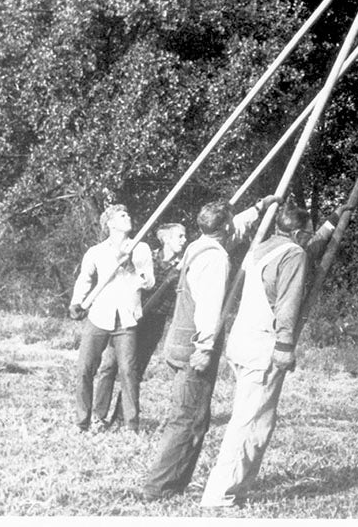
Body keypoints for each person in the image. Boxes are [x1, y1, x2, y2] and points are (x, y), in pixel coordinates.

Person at [142, 194, 279, 501]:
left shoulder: (198, 245)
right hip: (195, 346)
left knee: (189, 416)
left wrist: (259, 207)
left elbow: (235, 229)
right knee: (189, 419)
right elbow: (209, 306)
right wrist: (204, 347)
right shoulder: (215, 259)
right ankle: (161, 487)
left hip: (177, 341)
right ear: (224, 226)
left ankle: (169, 483)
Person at [199, 203, 335, 510]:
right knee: (251, 423)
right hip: (264, 347)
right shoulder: (293, 254)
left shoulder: (263, 246)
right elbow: (287, 303)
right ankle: (221, 495)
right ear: (299, 232)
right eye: (308, 233)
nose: (308, 240)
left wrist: (332, 223)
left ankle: (232, 488)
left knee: (250, 418)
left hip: (242, 343)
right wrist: (285, 347)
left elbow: (306, 251)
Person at [69, 204, 155, 432]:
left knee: (128, 371)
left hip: (127, 319)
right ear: (110, 224)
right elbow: (84, 279)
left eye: (128, 213)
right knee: (85, 369)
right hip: (99, 316)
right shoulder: (96, 251)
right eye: (122, 215)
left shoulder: (141, 249)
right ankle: (82, 421)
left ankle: (131, 425)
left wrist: (131, 269)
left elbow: (150, 282)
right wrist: (76, 302)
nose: (128, 217)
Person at [94, 221, 187, 426]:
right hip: (130, 315)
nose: (184, 240)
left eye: (184, 236)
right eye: (179, 236)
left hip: (154, 321)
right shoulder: (147, 255)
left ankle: (121, 417)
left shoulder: (183, 266)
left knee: (134, 370)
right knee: (109, 365)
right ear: (166, 239)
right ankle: (98, 416)